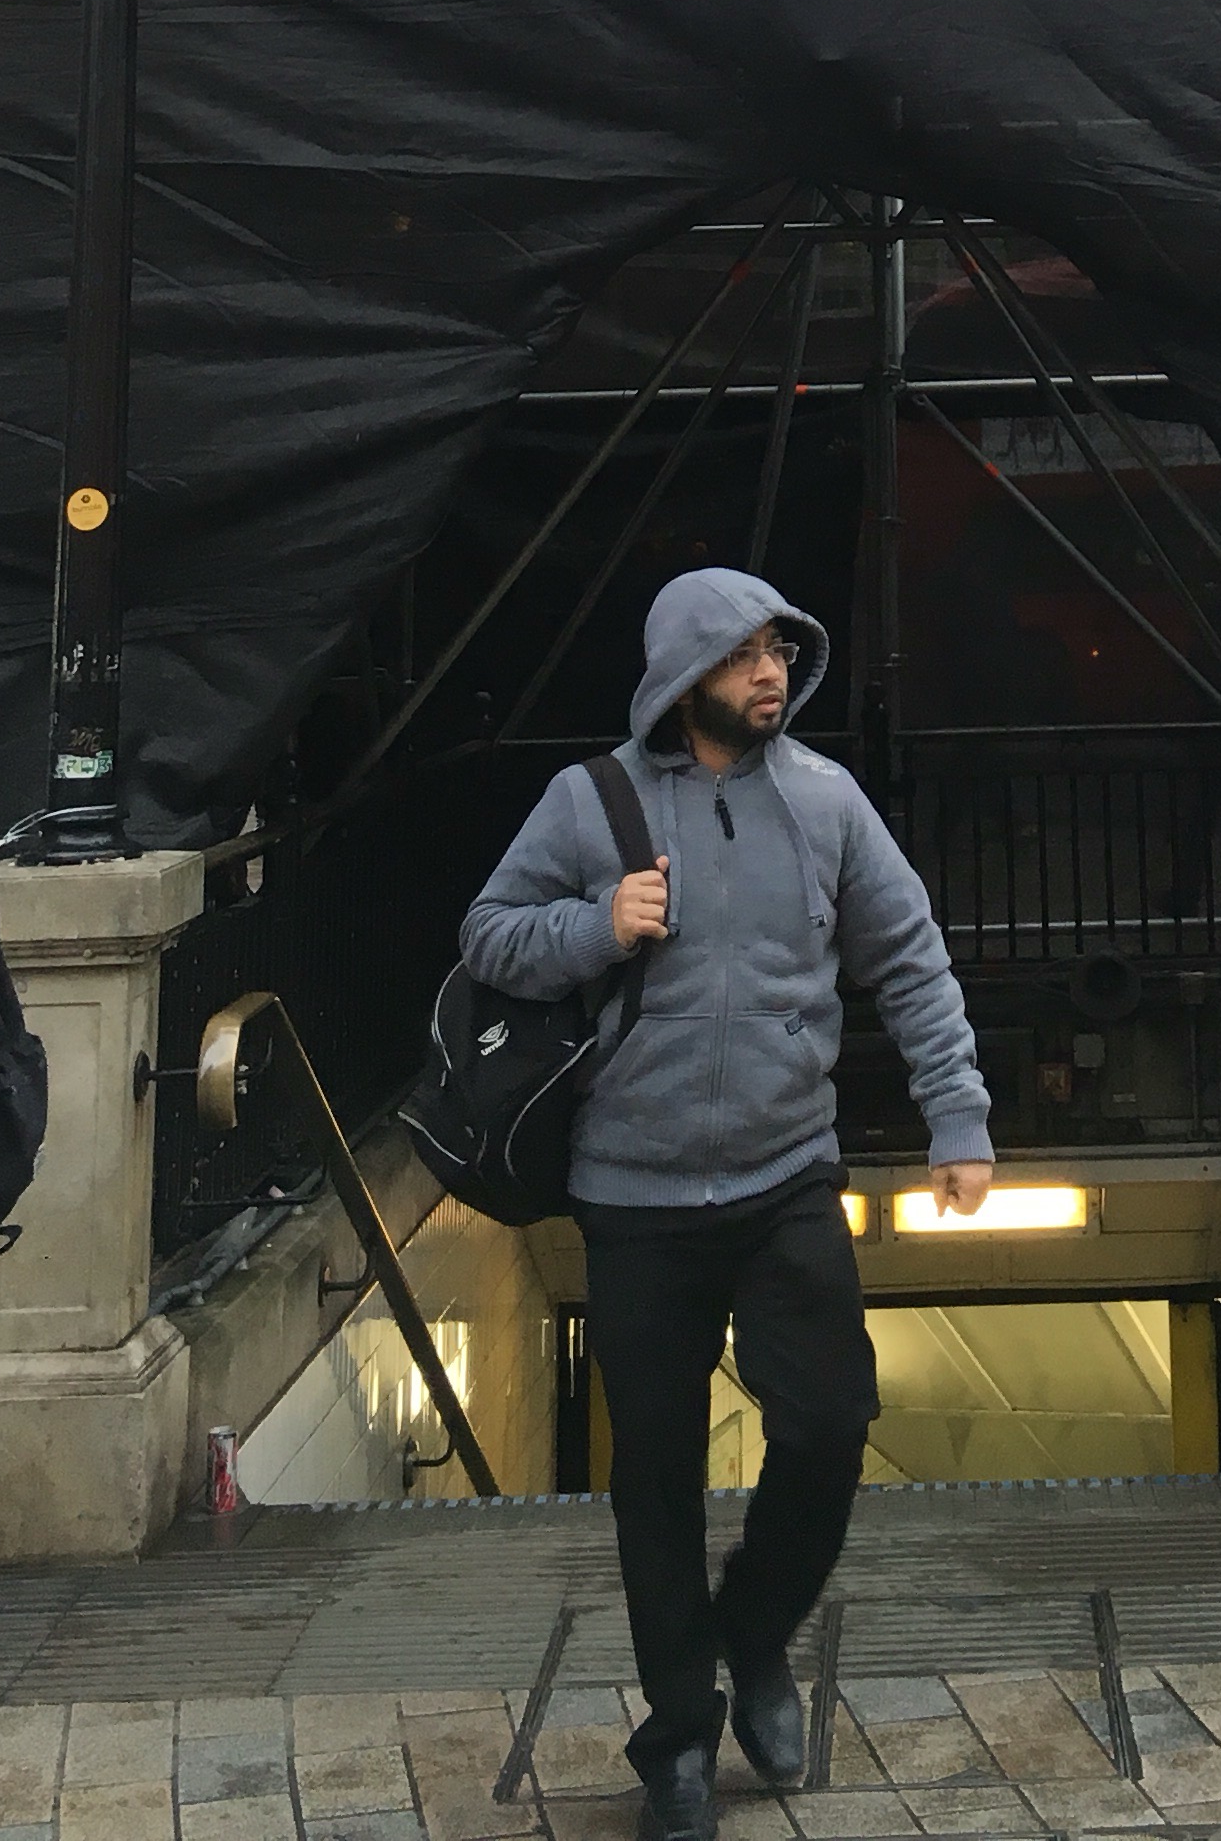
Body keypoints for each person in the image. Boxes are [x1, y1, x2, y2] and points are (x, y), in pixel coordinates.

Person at [462, 572, 992, 1841]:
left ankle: (754, 1634)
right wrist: (597, 926)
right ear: (683, 674)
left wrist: (958, 1117)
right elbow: (488, 936)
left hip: (785, 1174)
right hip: (631, 1195)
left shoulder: (825, 800)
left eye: (780, 652)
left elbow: (911, 960)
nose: (770, 673)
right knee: (654, 1481)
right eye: (743, 654)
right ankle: (679, 1745)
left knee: (832, 1421)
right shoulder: (589, 802)